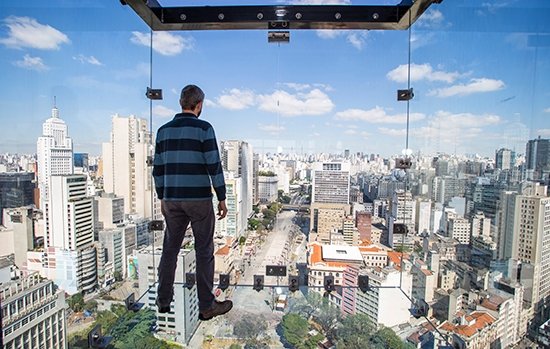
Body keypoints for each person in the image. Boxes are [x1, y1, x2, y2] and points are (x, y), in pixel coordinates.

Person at [152, 84, 233, 321]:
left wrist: (162, 196)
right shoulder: (204, 128)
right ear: (199, 105)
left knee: (170, 249)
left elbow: (157, 169)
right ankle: (206, 306)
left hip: (171, 199)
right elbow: (214, 165)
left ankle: (163, 299)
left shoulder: (163, 131)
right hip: (198, 199)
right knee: (204, 250)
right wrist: (222, 198)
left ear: (181, 103)